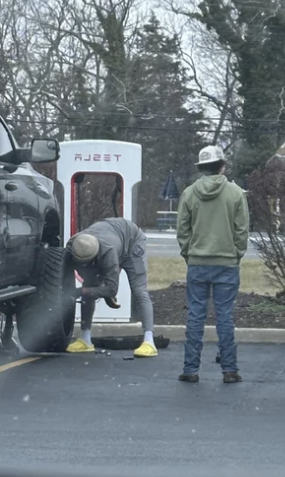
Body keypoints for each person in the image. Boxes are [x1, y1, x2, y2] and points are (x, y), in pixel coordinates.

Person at [176, 145, 249, 384]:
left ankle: (190, 369)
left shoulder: (189, 193)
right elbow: (241, 230)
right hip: (226, 263)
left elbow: (182, 230)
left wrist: (189, 254)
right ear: (222, 166)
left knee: (196, 316)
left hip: (197, 263)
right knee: (225, 316)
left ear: (201, 168)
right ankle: (230, 370)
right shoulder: (236, 193)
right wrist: (236, 254)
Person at [65, 217, 157, 358]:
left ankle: (149, 341)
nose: (83, 267)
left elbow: (112, 289)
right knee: (88, 288)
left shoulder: (108, 253)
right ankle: (85, 339)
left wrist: (82, 291)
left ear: (95, 255)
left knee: (139, 291)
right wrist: (87, 289)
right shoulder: (74, 245)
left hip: (132, 243)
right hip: (112, 235)